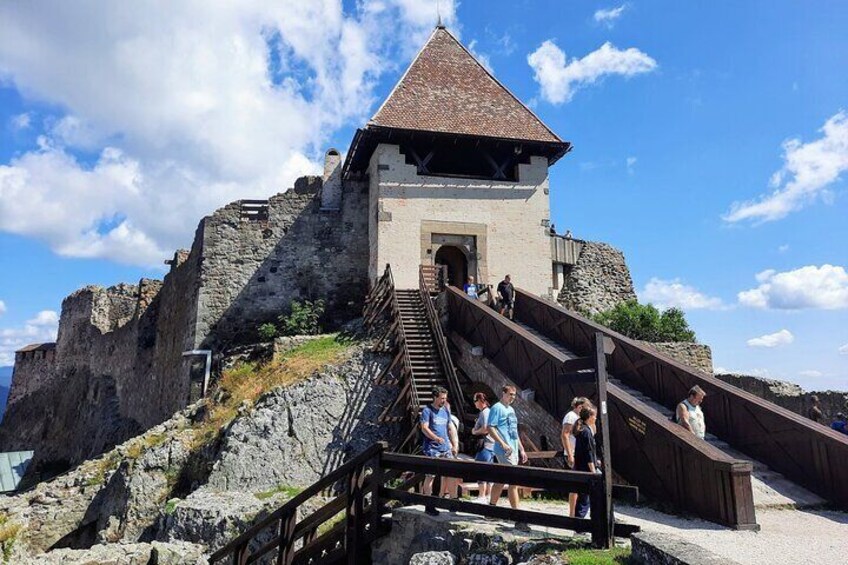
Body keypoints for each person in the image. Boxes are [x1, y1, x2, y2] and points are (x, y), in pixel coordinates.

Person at [487, 385, 529, 531]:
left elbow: (514, 431)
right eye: (510, 394)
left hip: (513, 448)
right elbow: (490, 427)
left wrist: (522, 449)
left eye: (514, 395)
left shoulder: (511, 410)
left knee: (501, 479)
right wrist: (502, 443)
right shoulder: (497, 408)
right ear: (503, 393)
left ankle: (491, 510)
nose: (512, 397)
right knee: (513, 482)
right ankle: (517, 517)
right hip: (504, 450)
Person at [420, 387, 459, 514]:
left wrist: (455, 444)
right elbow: (424, 428)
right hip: (432, 448)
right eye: (442, 398)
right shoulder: (427, 411)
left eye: (445, 398)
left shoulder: (445, 410)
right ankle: (429, 504)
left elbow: (450, 427)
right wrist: (435, 438)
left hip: (445, 447)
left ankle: (453, 501)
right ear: (435, 397)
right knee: (430, 476)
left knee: (452, 473)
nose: (444, 401)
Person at [561, 396, 590, 516]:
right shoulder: (571, 416)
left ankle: (577, 514)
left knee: (580, 486)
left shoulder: (580, 418)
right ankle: (572, 514)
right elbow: (565, 435)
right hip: (572, 454)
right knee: (574, 487)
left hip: (579, 454)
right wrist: (570, 454)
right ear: (579, 407)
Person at [573, 406, 600, 518]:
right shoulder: (586, 432)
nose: (596, 418)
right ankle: (579, 524)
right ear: (589, 417)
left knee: (584, 497)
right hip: (586, 468)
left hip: (581, 466)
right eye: (594, 416)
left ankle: (581, 522)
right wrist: (593, 470)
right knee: (585, 498)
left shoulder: (583, 430)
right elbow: (588, 453)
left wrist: (595, 460)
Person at [472, 392, 495, 501]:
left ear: (481, 401)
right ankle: (488, 495)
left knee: (480, 469)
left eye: (475, 401)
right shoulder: (489, 412)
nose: (474, 403)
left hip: (485, 445)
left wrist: (475, 431)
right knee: (488, 470)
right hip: (490, 445)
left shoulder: (484, 413)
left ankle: (482, 495)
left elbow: (486, 428)